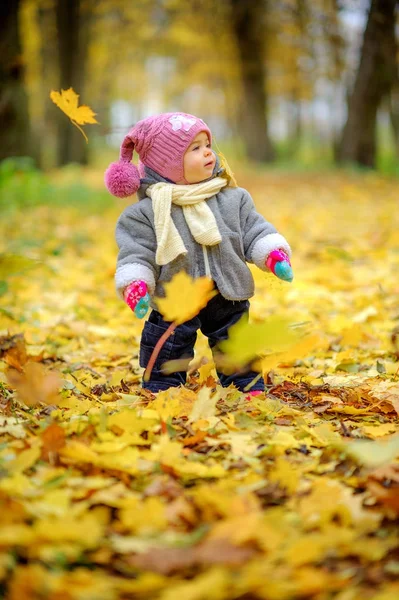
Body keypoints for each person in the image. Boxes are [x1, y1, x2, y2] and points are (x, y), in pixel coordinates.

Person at [105, 112, 293, 394]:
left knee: (235, 338)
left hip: (226, 289)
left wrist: (271, 253)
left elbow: (253, 229)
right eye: (195, 148)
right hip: (175, 293)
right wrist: (137, 283)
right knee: (169, 342)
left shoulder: (232, 198)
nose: (208, 152)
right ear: (166, 164)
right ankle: (162, 386)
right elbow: (137, 252)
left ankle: (245, 384)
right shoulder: (145, 213)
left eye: (207, 144)